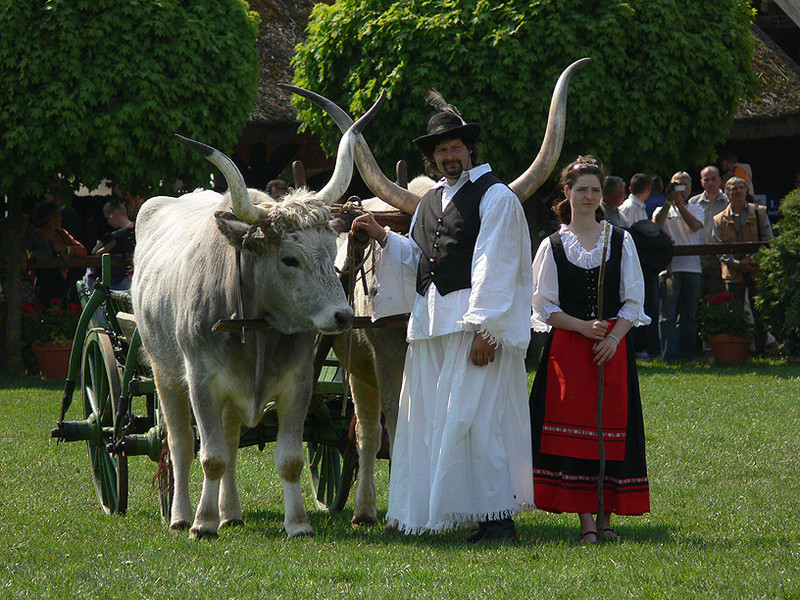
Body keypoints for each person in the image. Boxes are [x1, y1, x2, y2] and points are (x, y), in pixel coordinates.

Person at [351, 100, 533, 543]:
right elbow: (420, 259)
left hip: (473, 328)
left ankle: (496, 520)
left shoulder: (496, 196)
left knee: (479, 421)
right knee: (437, 421)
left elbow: (497, 262)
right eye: (440, 152)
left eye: (455, 148)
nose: (448, 157)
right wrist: (382, 236)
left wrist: (485, 329)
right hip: (432, 326)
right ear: (431, 160)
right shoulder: (432, 200)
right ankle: (450, 510)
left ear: (470, 149)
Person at [529, 156, 650, 544]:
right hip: (568, 351)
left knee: (610, 431)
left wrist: (613, 338)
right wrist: (583, 327)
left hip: (611, 353)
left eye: (595, 190)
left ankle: (608, 518)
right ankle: (586, 523)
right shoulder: (552, 246)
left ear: (602, 196)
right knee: (574, 437)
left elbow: (633, 301)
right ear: (567, 192)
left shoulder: (621, 240)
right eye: (581, 189)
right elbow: (544, 306)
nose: (589, 196)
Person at [712, 176, 773, 355]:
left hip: (756, 269)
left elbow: (768, 239)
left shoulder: (760, 212)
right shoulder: (719, 219)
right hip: (733, 272)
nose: (737, 191)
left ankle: (760, 351)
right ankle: (738, 352)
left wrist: (752, 260)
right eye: (733, 189)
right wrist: (738, 263)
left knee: (760, 312)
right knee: (735, 312)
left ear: (746, 191)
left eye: (740, 188)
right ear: (728, 193)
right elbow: (719, 249)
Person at [653, 171, 704, 361]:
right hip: (669, 270)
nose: (680, 189)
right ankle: (669, 356)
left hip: (692, 269)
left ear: (690, 188)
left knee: (688, 315)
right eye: (676, 185)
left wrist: (680, 205)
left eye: (683, 185)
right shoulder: (661, 209)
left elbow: (695, 226)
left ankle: (686, 355)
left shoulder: (697, 208)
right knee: (667, 314)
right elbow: (656, 225)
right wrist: (669, 203)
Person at [29, 199, 87, 304]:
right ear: (49, 218)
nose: (61, 217)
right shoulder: (37, 235)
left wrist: (65, 249)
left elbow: (82, 250)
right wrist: (56, 254)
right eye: (57, 215)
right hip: (45, 284)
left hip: (64, 283)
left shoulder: (62, 233)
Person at [689, 166, 729, 301]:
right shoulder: (693, 202)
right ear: (701, 182)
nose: (710, 182)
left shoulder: (728, 202)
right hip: (697, 257)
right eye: (707, 180)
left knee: (717, 300)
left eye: (713, 179)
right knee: (693, 299)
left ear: (720, 180)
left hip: (718, 257)